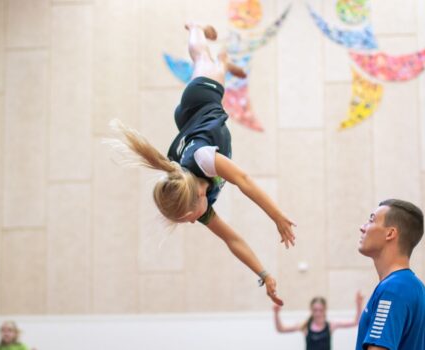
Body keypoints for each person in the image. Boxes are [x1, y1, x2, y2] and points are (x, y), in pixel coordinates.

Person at [104, 23, 296, 305]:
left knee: (201, 58)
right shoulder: (195, 200)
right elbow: (233, 240)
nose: (194, 220)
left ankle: (196, 29)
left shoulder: (203, 160)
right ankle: (227, 63)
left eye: (189, 216)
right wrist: (264, 274)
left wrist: (277, 217)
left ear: (197, 195)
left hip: (201, 98)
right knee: (214, 65)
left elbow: (245, 181)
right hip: (188, 121)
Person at [355, 199, 425, 350]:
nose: (362, 228)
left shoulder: (394, 289)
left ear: (390, 233)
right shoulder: (415, 287)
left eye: (371, 220)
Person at [273, 292, 364, 350]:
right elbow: (281, 329)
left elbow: (355, 322)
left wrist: (359, 304)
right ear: (311, 310)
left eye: (320, 310)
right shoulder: (304, 326)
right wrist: (276, 313)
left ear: (325, 310)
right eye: (315, 310)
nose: (318, 313)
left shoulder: (331, 326)